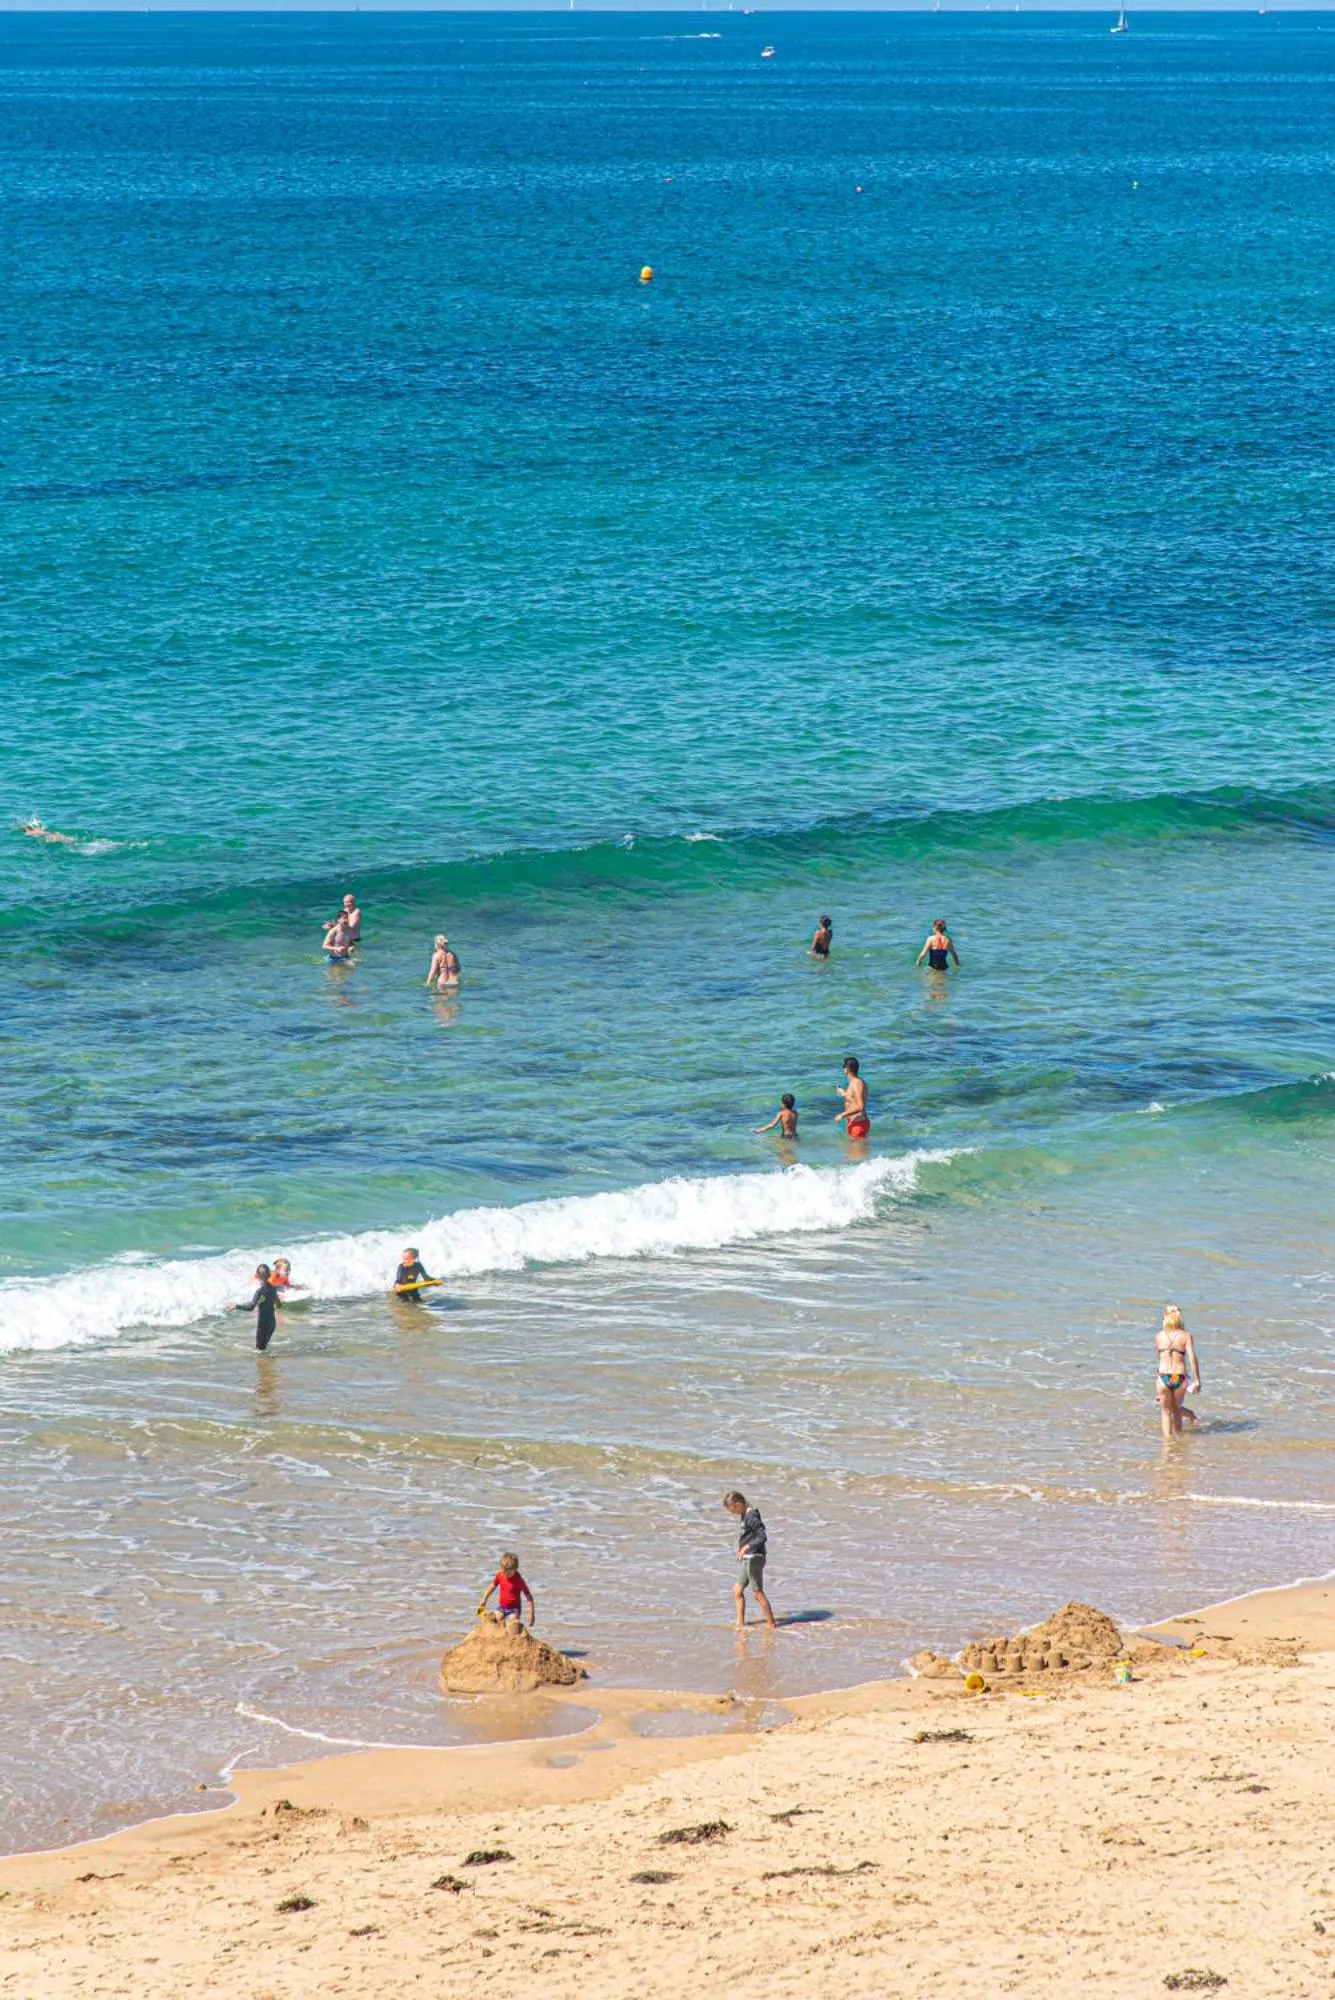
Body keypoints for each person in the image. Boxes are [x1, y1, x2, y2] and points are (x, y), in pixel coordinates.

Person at [724, 1490, 776, 1631]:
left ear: (738, 1504)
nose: (732, 1513)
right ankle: (740, 1624)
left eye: (732, 1510)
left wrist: (746, 1547)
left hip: (755, 1557)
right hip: (748, 1557)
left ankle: (771, 1625)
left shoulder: (751, 1516)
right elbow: (748, 1535)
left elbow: (762, 1536)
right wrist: (741, 1548)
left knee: (757, 1593)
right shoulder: (744, 1514)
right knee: (737, 1590)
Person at [1155, 1305, 1202, 1439]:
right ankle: (1178, 1443)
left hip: (1163, 1377)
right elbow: (1192, 1357)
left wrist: (1158, 1384)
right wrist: (1197, 1380)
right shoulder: (1186, 1336)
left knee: (1165, 1411)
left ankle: (1167, 1445)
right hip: (1180, 1377)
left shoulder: (1159, 1336)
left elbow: (1159, 1359)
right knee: (1176, 1409)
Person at [230, 1263, 282, 1352]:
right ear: (270, 1274)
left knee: (260, 1351)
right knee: (264, 1349)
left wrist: (236, 1306)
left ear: (257, 1276)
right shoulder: (273, 1289)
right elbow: (278, 1303)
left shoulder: (260, 1291)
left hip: (263, 1325)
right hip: (272, 1323)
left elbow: (250, 1307)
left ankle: (267, 1363)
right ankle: (269, 1363)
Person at [478, 1551, 535, 1628]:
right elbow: (492, 1586)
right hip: (502, 1606)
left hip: (514, 1609)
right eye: (504, 1571)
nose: (506, 1575)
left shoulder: (519, 1580)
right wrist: (484, 1598)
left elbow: (529, 1596)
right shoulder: (500, 1575)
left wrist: (531, 1613)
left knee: (512, 1624)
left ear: (515, 1569)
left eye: (508, 1573)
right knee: (497, 1619)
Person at [835, 1055, 870, 1141]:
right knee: (853, 1152)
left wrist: (842, 1115)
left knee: (857, 1153)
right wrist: (844, 1094)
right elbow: (854, 1099)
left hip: (858, 1123)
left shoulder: (856, 1083)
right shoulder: (854, 1082)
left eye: (844, 1066)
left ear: (846, 1069)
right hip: (854, 1123)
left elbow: (860, 1106)